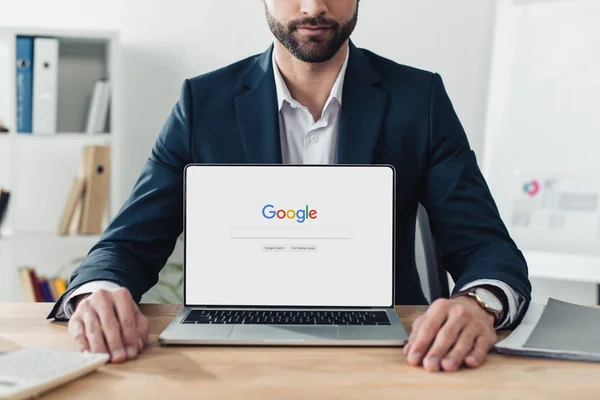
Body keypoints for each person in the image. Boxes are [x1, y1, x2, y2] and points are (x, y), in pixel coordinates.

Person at [48, 0, 531, 373]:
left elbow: (486, 247)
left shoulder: (418, 99)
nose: (314, 7)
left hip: (392, 358)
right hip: (228, 360)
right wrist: (101, 292)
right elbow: (127, 244)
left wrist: (478, 304)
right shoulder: (203, 102)